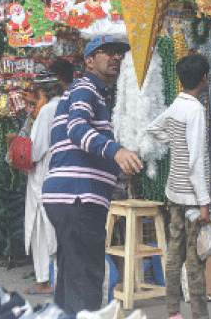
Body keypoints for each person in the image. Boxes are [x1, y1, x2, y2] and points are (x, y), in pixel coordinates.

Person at [42, 36, 143, 315]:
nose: (115, 58)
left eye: (118, 54)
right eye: (106, 53)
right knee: (85, 281)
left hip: (71, 197)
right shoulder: (86, 88)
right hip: (78, 196)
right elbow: (76, 128)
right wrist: (115, 151)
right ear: (89, 61)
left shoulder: (99, 94)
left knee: (72, 278)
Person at [146, 54, 211, 319]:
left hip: (174, 191)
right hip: (192, 197)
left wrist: (174, 142)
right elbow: (196, 162)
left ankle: (173, 311)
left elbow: (153, 128)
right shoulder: (195, 109)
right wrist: (204, 203)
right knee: (195, 260)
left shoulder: (176, 105)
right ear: (205, 79)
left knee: (175, 252)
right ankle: (199, 314)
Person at [23, 71, 64, 296]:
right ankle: (56, 276)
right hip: (60, 174)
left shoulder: (47, 111)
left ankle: (45, 280)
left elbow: (36, 150)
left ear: (43, 92)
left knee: (41, 229)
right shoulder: (65, 105)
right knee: (55, 227)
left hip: (42, 177)